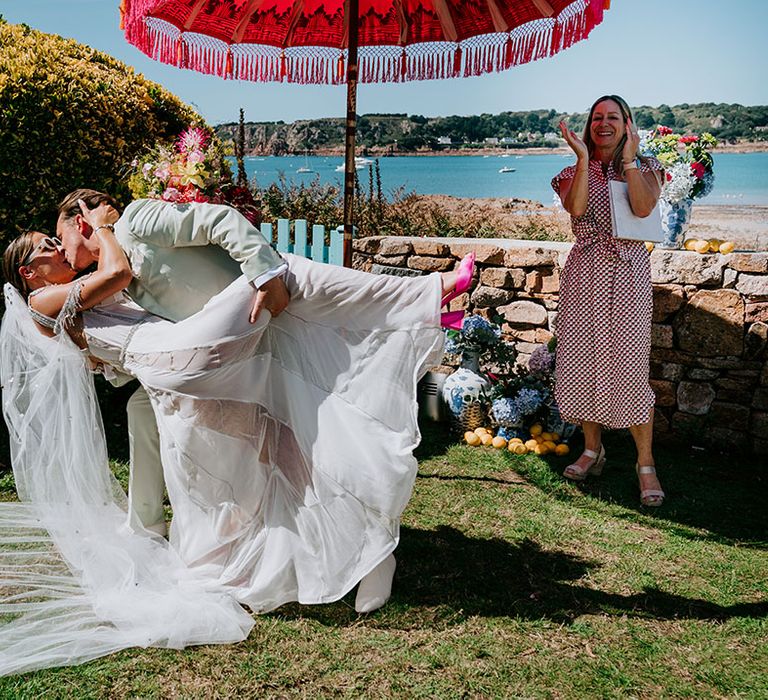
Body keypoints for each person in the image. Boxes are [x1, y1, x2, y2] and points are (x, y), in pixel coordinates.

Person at [0, 200, 473, 674]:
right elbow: (120, 272)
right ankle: (427, 296)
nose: (60, 249)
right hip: (185, 356)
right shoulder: (45, 301)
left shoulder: (77, 291)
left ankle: (360, 550)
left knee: (274, 447)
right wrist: (102, 227)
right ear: (29, 271)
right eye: (49, 248)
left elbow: (120, 317)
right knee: (289, 274)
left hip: (179, 371)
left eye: (59, 239)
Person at [55, 189, 291, 539]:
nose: (61, 248)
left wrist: (266, 276)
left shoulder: (135, 220)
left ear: (80, 222)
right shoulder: (115, 266)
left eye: (60, 238)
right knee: (141, 405)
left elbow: (220, 219)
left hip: (266, 320)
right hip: (225, 353)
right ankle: (146, 524)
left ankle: (225, 518)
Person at [551, 94, 665, 507]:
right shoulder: (569, 171)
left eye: (612, 117)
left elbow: (642, 205)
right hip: (585, 274)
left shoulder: (650, 168)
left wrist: (631, 161)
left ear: (627, 124)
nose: (603, 123)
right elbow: (577, 207)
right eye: (597, 117)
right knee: (584, 361)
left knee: (629, 367)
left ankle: (645, 463)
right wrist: (583, 160)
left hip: (629, 275)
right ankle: (591, 448)